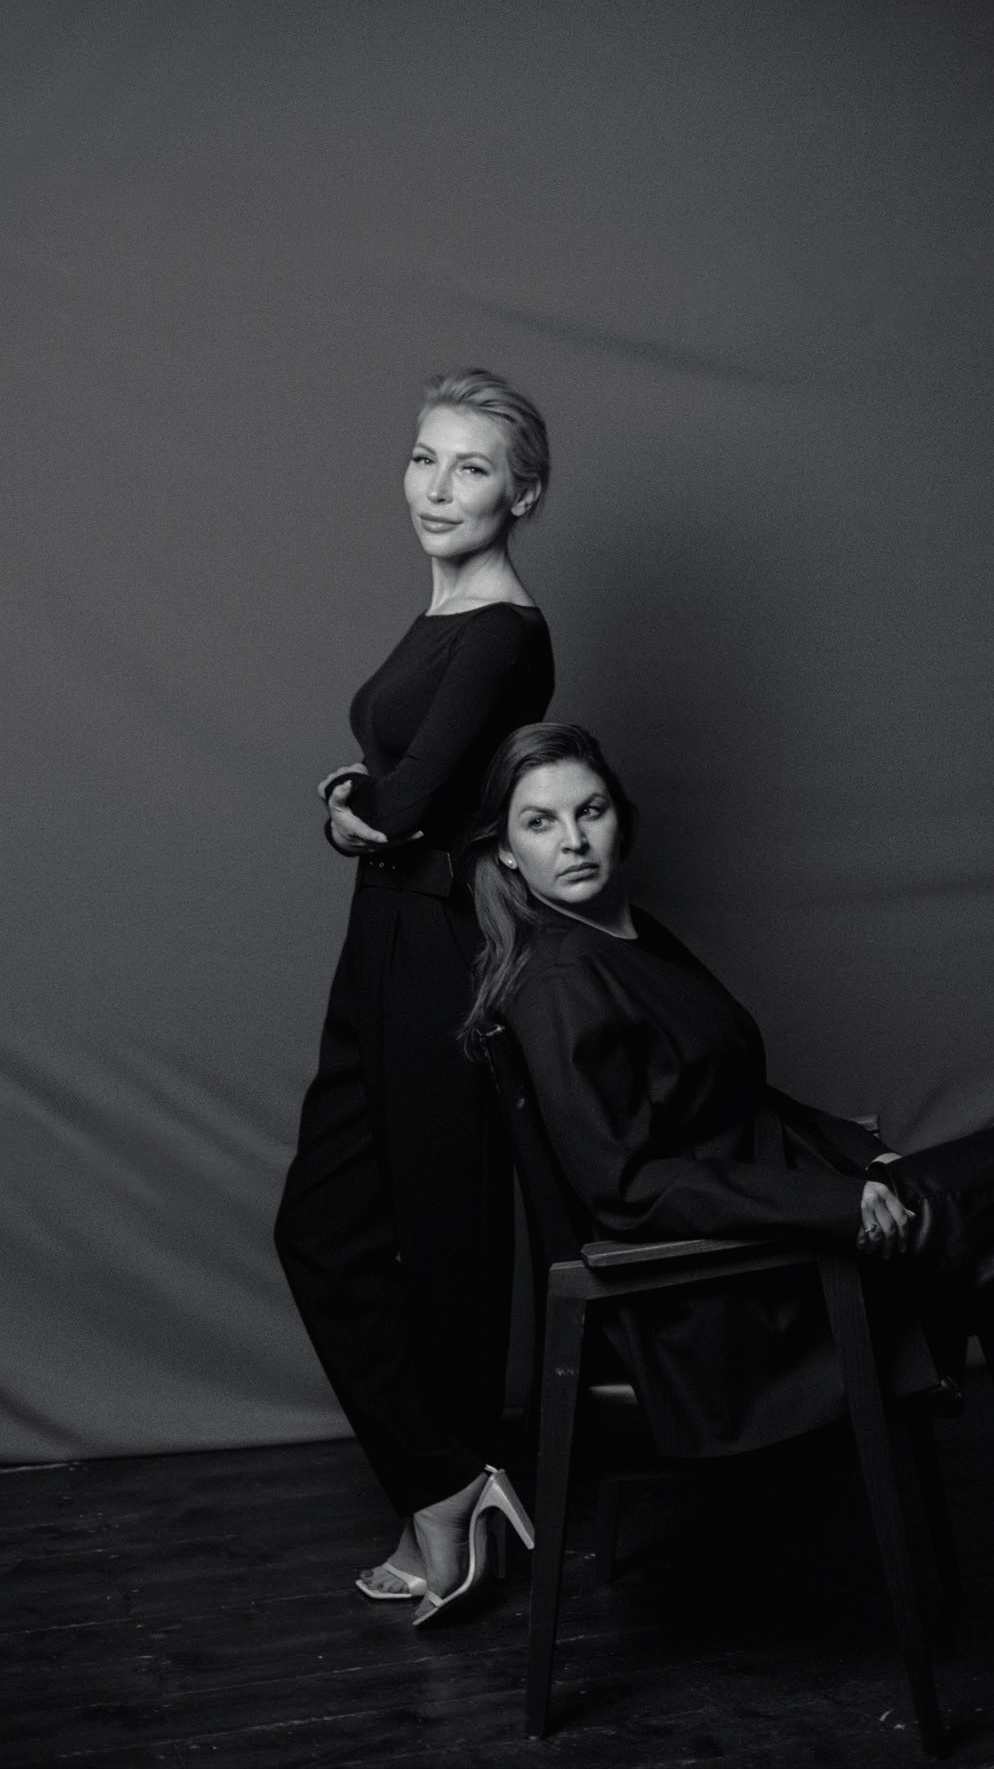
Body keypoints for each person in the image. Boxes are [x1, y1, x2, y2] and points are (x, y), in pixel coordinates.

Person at [462, 721, 994, 1686]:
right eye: (540, 822)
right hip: (735, 1304)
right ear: (505, 850)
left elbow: (739, 1099)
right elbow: (631, 1185)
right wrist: (835, 1203)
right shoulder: (562, 979)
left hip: (785, 1224)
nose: (572, 840)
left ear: (621, 819)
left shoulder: (627, 932)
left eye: (590, 810)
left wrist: (868, 1157)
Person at [274, 370, 553, 1627]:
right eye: (423, 458)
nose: (437, 489)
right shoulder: (444, 616)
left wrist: (357, 809)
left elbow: (403, 803)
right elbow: (401, 785)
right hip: (382, 935)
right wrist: (366, 805)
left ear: (521, 494)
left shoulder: (500, 631)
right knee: (324, 1225)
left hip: (440, 942)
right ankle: (444, 1480)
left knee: (442, 1234)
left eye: (471, 467)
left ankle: (442, 1496)